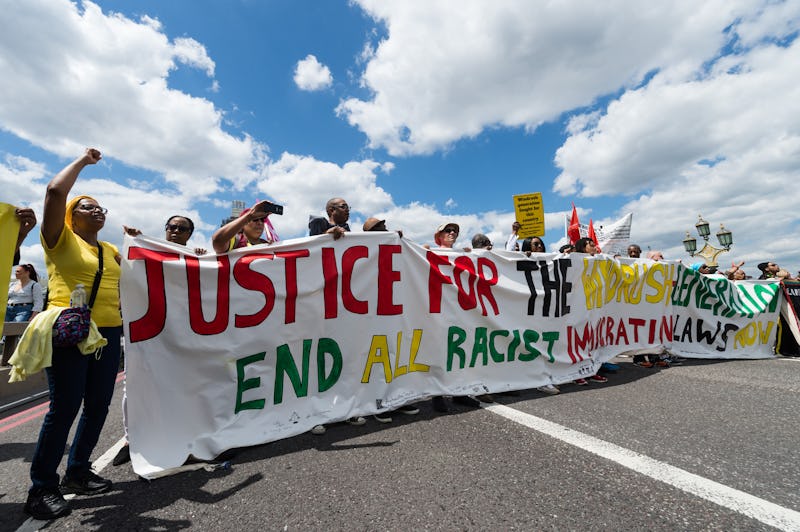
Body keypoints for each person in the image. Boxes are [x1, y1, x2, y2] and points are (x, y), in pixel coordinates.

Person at [25, 148, 122, 520]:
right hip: (71, 331)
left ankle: (78, 471)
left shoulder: (110, 248)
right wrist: (83, 161)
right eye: (86, 206)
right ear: (70, 216)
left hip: (108, 334)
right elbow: (53, 192)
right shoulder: (59, 239)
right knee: (64, 407)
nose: (96, 210)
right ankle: (42, 487)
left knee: (98, 404)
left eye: (100, 208)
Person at [308, 198, 364, 434]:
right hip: (322, 301)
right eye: (343, 206)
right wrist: (326, 235)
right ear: (331, 211)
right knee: (321, 360)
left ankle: (344, 409)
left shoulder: (350, 231)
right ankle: (315, 414)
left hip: (343, 303)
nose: (348, 209)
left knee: (345, 359)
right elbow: (310, 249)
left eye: (348, 206)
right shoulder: (319, 223)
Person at [362, 217, 420, 423]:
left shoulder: (394, 250)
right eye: (380, 228)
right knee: (376, 359)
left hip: (392, 311)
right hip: (371, 313)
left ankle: (396, 399)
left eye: (384, 227)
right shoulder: (363, 252)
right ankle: (378, 403)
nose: (385, 230)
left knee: (396, 355)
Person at [212, 201, 279, 253]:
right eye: (255, 219)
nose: (260, 223)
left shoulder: (269, 245)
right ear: (242, 225)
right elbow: (217, 241)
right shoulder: (236, 240)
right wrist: (249, 216)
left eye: (262, 220)